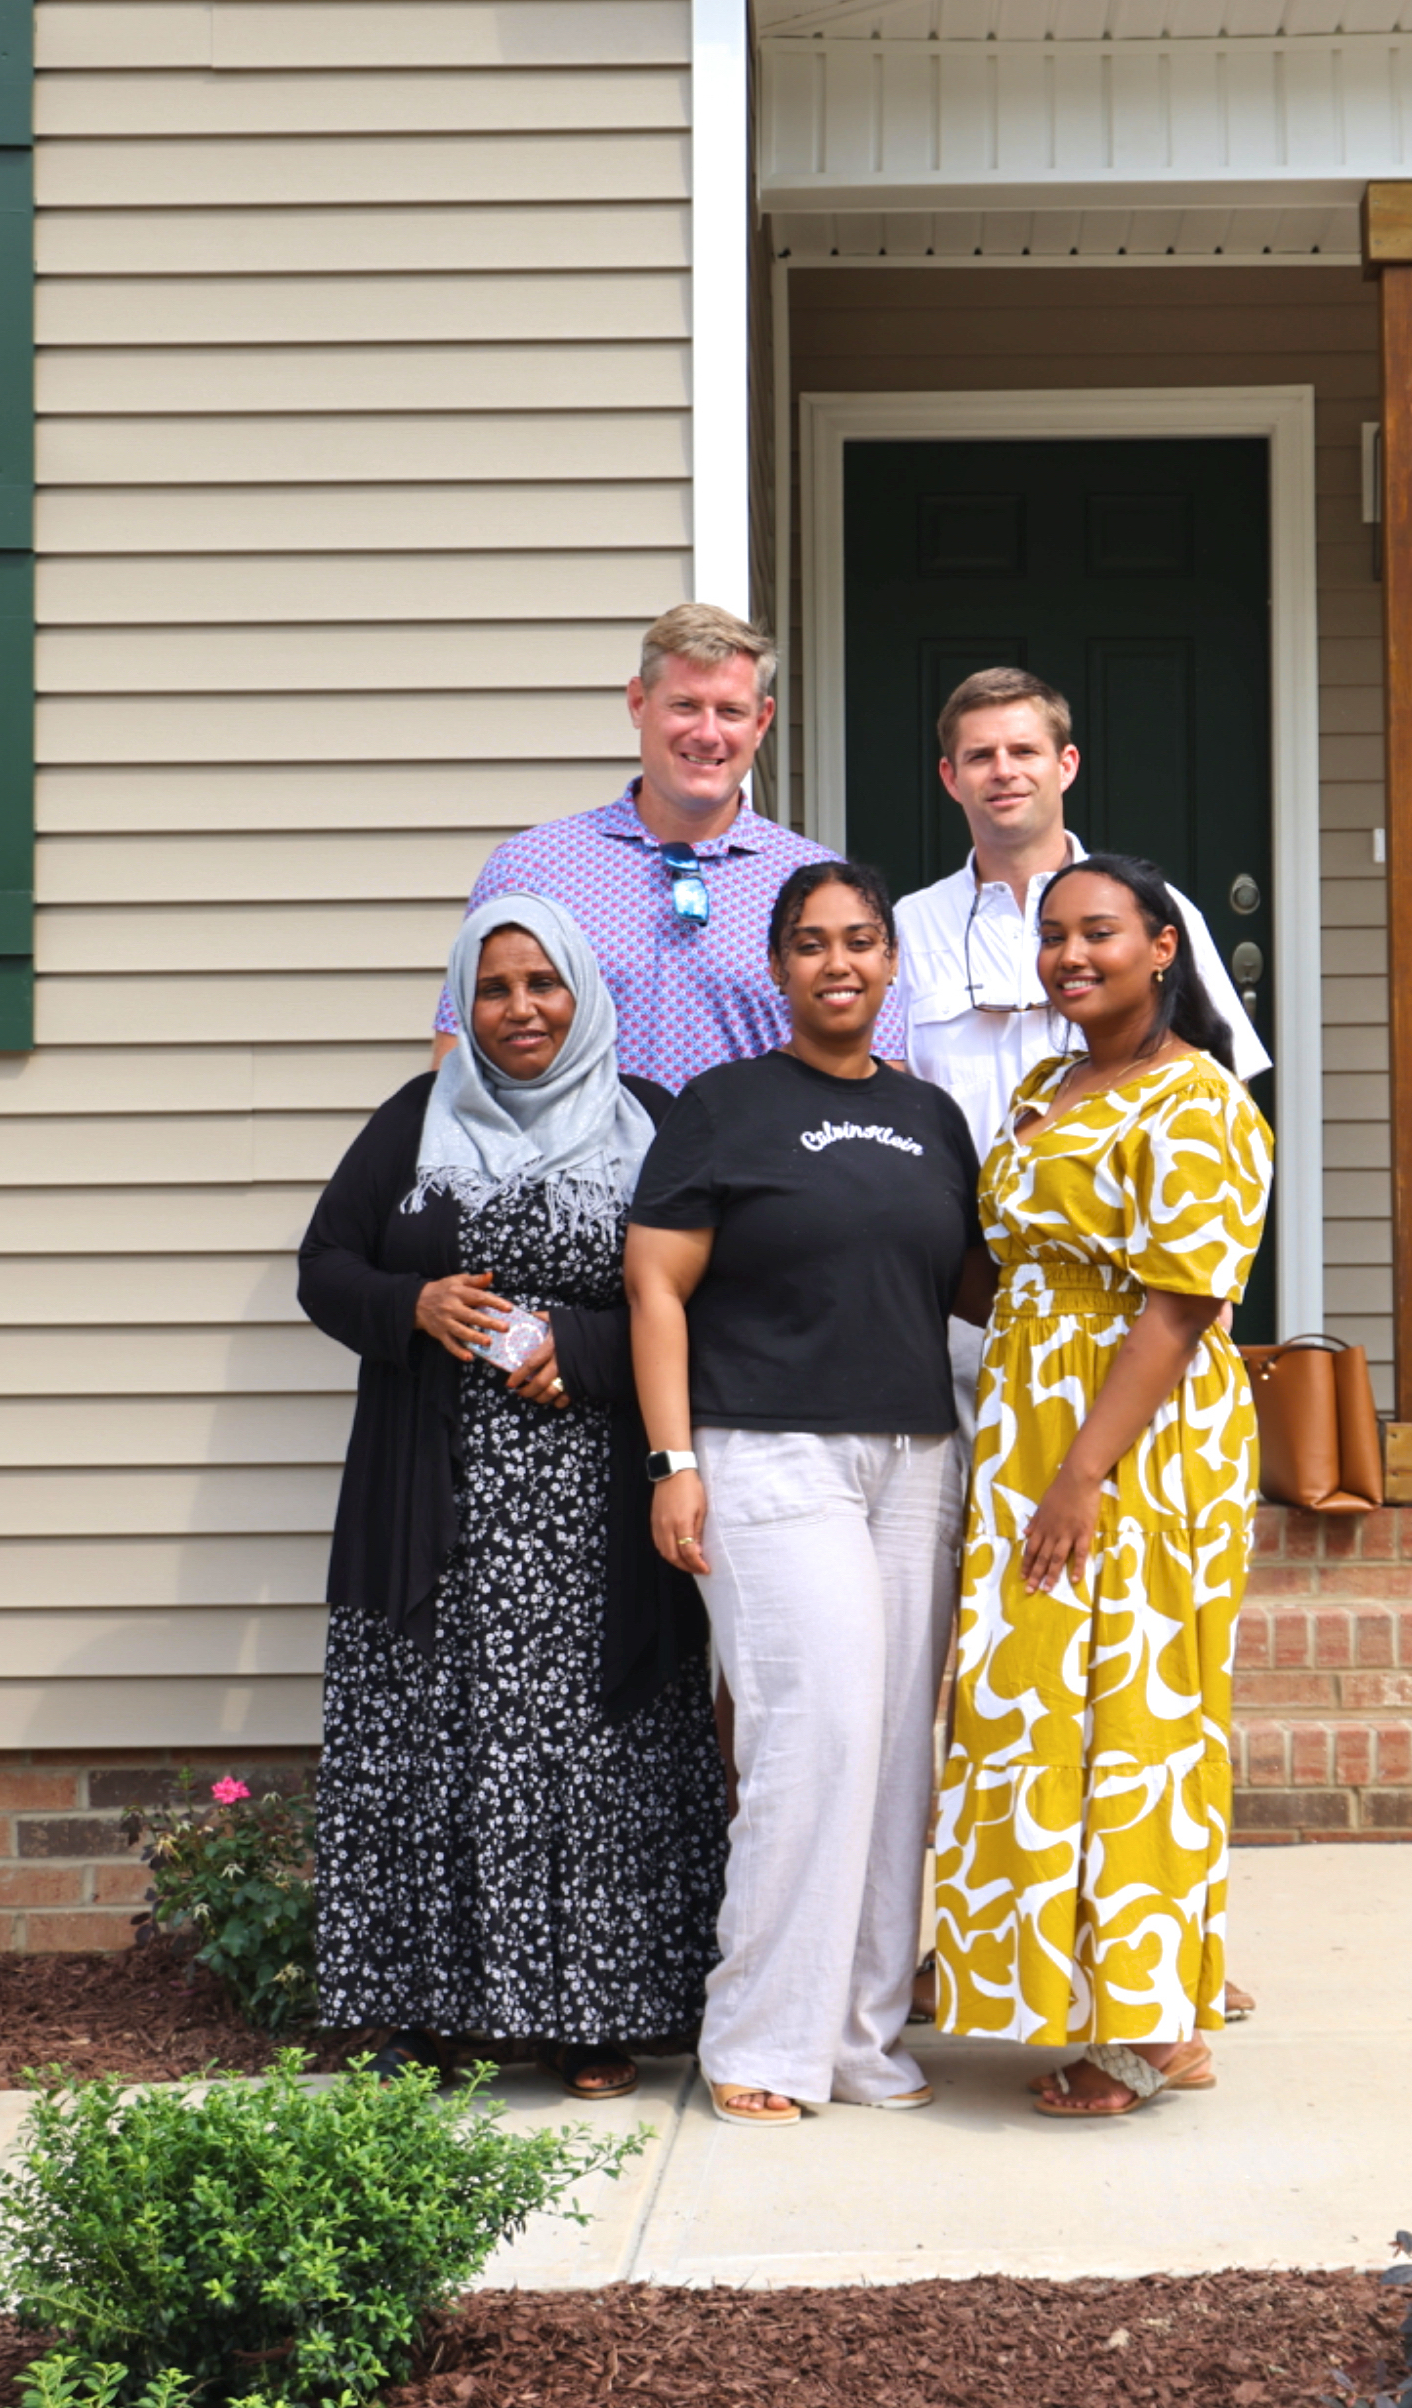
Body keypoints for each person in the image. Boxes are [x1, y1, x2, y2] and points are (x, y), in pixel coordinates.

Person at [298, 894, 724, 2099]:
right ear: (465, 1005)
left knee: (597, 1750)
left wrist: (578, 1356)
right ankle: (424, 2015)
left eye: (543, 984)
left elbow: (699, 1296)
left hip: (597, 1510)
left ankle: (598, 2018)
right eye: (494, 989)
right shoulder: (414, 1121)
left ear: (584, 992)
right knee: (434, 1747)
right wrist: (413, 1306)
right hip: (430, 1511)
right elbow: (325, 1267)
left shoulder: (652, 1123)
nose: (521, 1009)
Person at [624, 861, 985, 2129]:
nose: (839, 963)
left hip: (914, 1458)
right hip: (768, 1451)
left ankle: (855, 2038)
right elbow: (654, 1289)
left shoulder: (935, 1119)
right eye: (813, 944)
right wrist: (673, 1462)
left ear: (892, 965)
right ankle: (761, 2042)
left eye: (862, 942)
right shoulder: (720, 1108)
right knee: (810, 1732)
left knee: (892, 1748)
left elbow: (973, 1290)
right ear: (778, 969)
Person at [925, 850, 1272, 2119]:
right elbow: (1002, 1268)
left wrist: (1081, 1475)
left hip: (1136, 1441)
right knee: (1033, 1715)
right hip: (1029, 1420)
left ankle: (1154, 2030)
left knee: (1139, 1721)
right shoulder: (1047, 1084)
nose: (1072, 956)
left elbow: (1180, 1311)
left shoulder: (1201, 1104)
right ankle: (1057, 1986)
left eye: (1100, 934)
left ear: (1162, 949)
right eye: (1054, 936)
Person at [440, 603, 904, 1091]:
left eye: (730, 711)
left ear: (762, 721)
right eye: (684, 706)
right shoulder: (530, 870)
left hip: (759, 1165)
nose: (707, 734)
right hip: (578, 1166)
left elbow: (875, 1074)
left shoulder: (821, 885)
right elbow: (459, 1066)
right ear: (639, 702)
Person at [889, 665, 1266, 1165]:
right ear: (950, 778)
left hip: (1116, 1229)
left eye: (1024, 751)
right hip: (958, 1229)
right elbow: (884, 1093)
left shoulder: (1152, 907)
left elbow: (1224, 1080)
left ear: (1065, 765)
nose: (1004, 770)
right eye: (980, 756)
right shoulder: (908, 926)